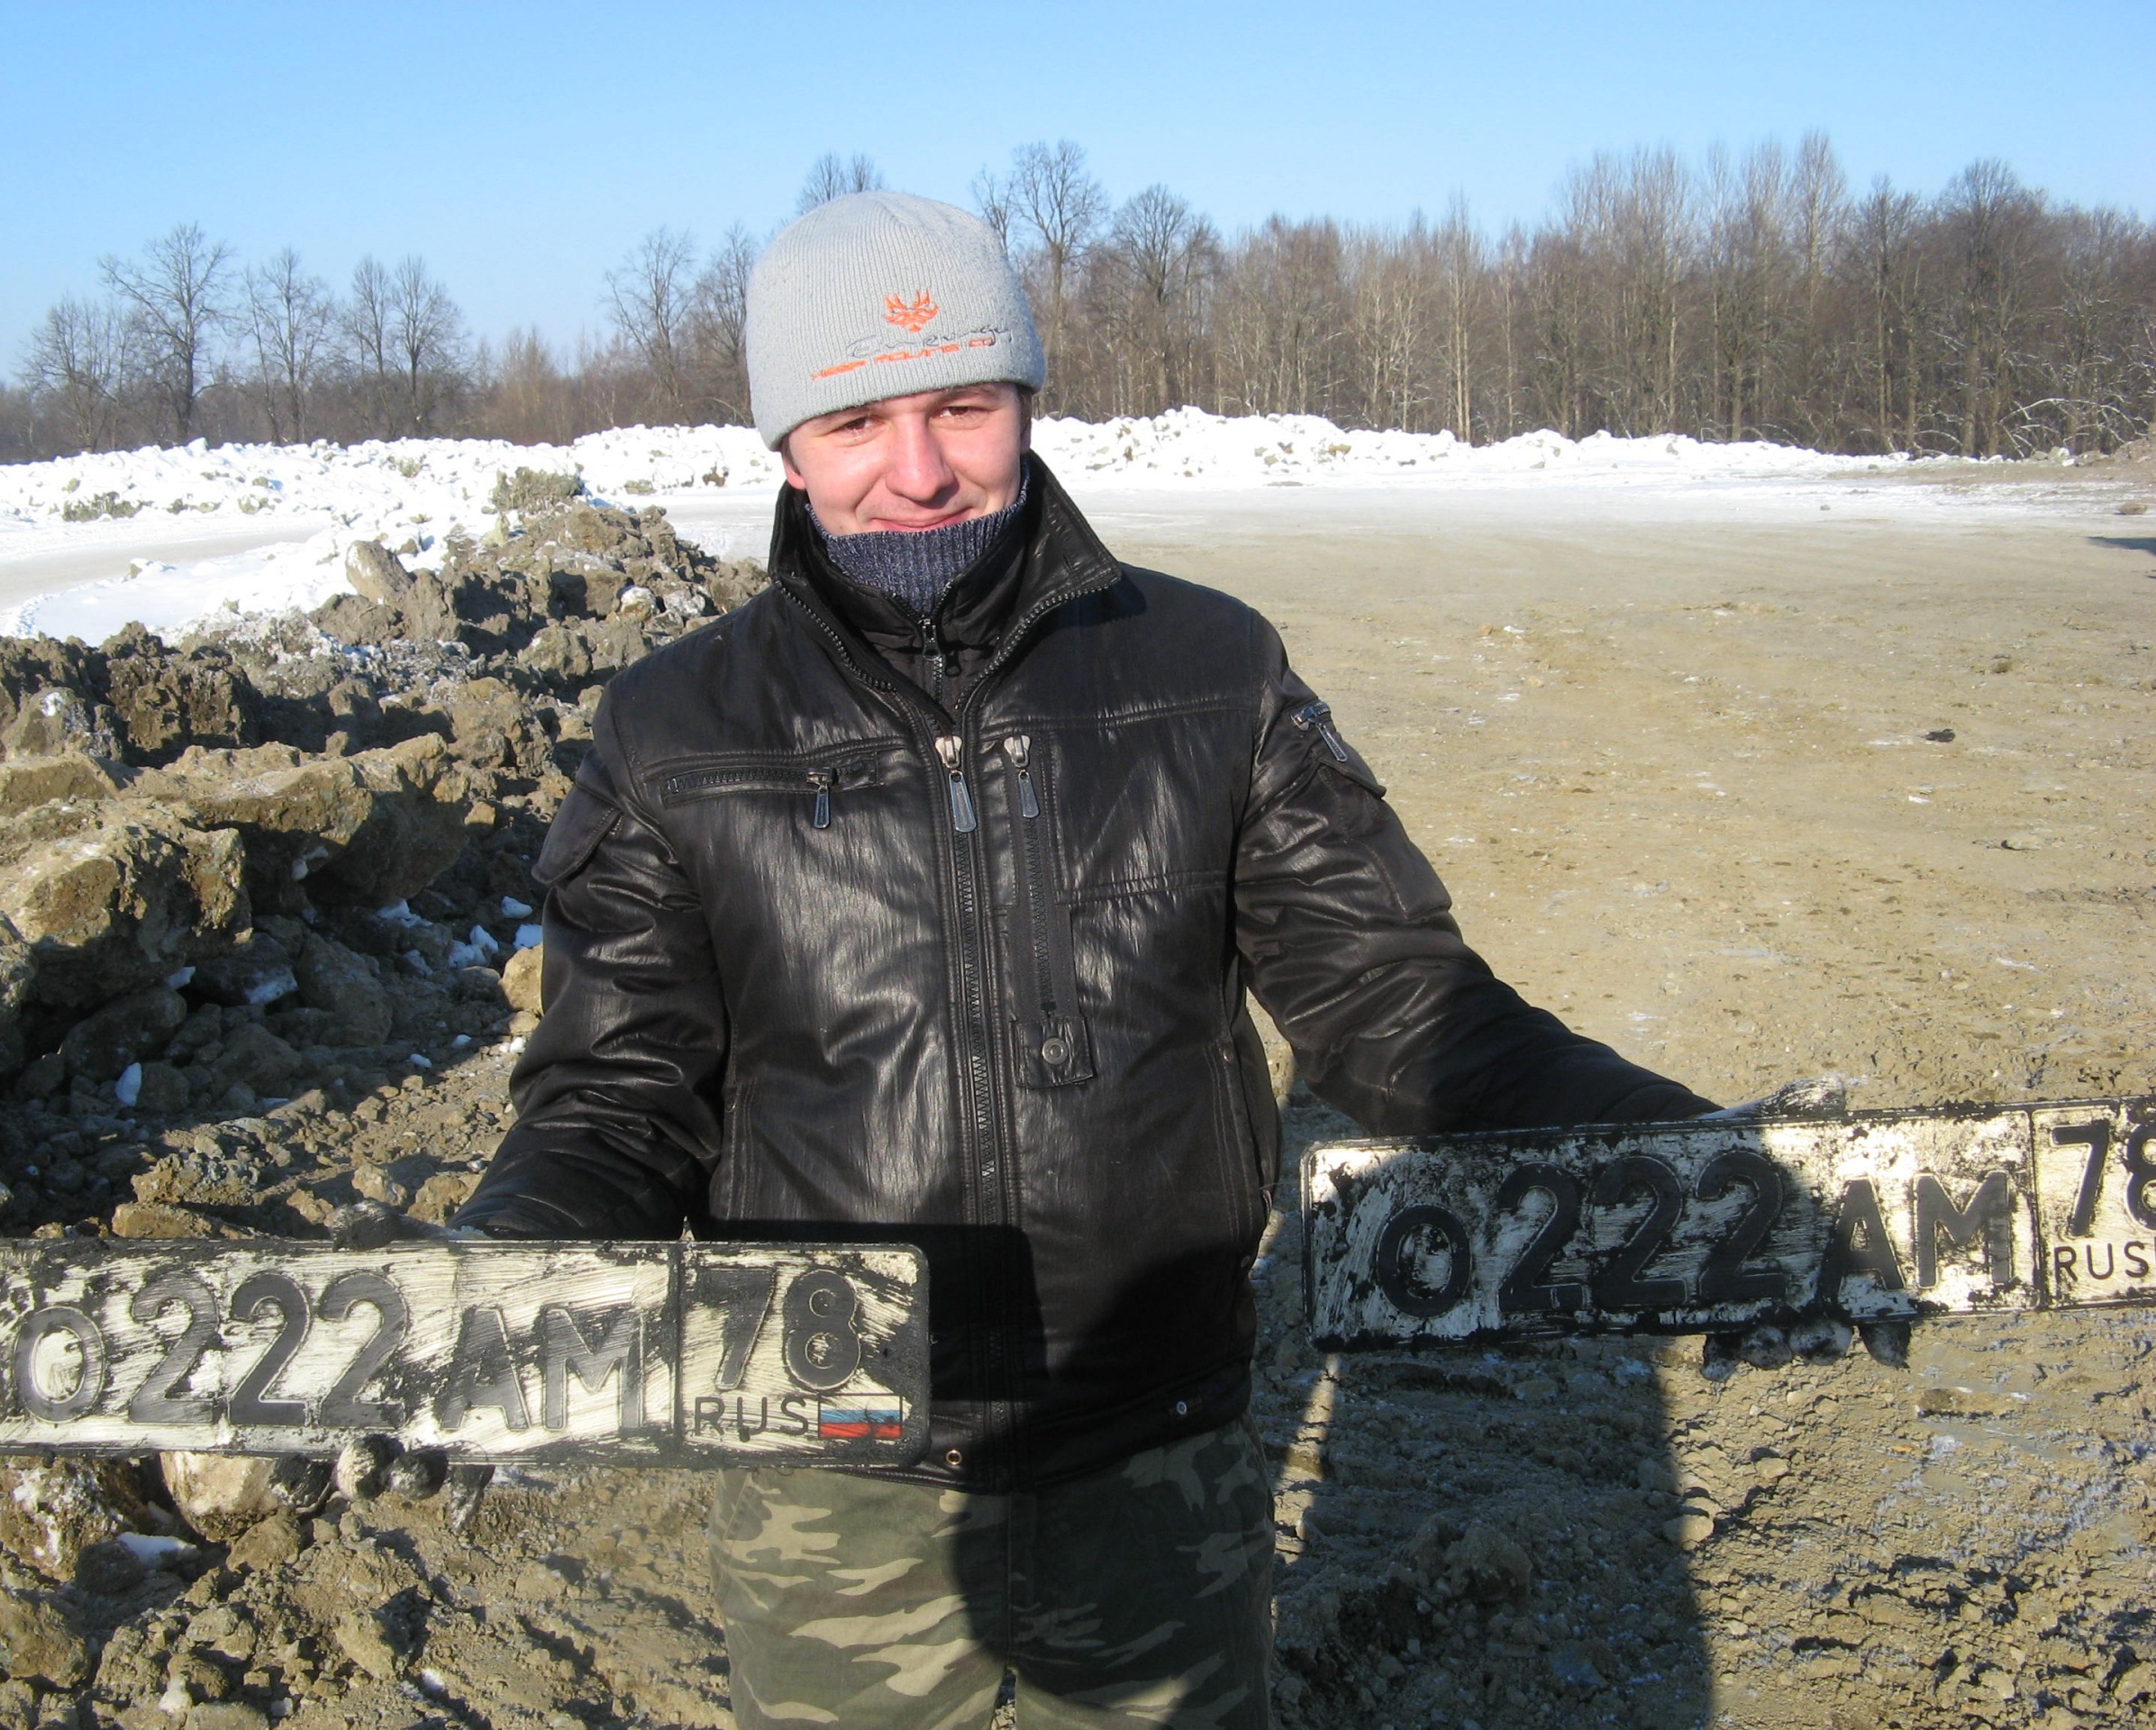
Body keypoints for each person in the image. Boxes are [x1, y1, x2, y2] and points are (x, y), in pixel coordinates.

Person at [452, 191, 1718, 1729]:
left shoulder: (1209, 670)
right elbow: (613, 1099)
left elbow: (1399, 1003)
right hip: (828, 1480)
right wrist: (493, 1280)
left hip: (1153, 1444)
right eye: (855, 422)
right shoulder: (674, 729)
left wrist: (1675, 1154)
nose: (920, 471)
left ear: (1028, 401)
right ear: (786, 448)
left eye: (962, 406)